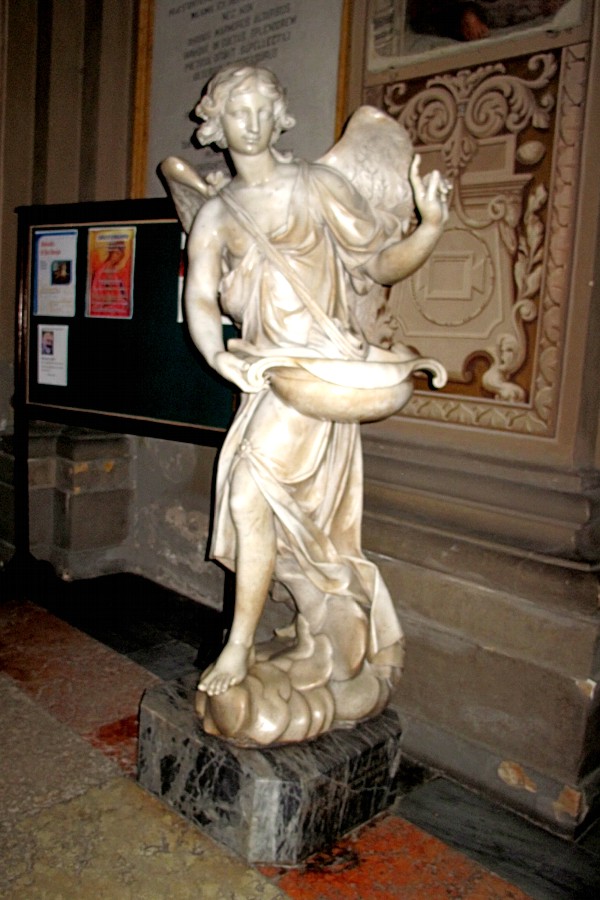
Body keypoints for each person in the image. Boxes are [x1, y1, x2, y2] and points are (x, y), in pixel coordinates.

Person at [184, 66, 449, 703]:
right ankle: (312, 624)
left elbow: (379, 264)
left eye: (262, 110)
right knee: (280, 517)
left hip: (321, 373)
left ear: (280, 117)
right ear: (216, 124)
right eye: (237, 112)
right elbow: (199, 298)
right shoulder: (217, 214)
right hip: (268, 376)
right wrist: (218, 356)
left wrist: (429, 228)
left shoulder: (318, 185)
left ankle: (242, 644)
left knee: (248, 494)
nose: (251, 124)